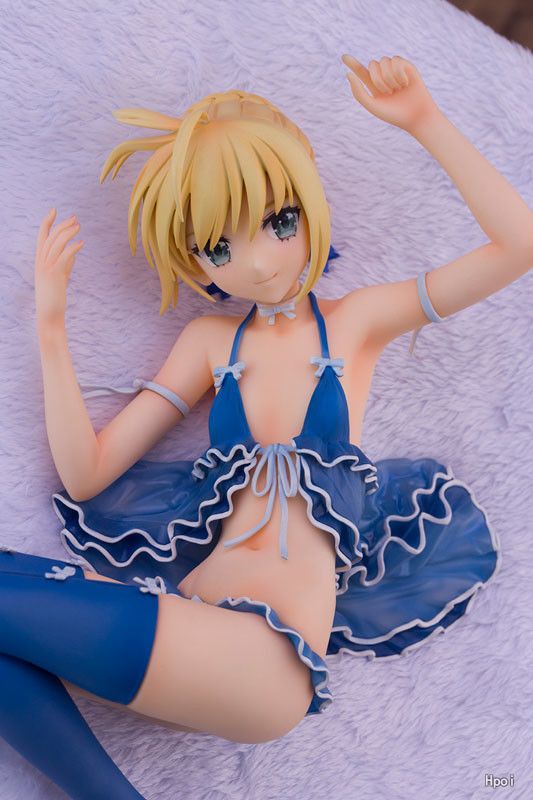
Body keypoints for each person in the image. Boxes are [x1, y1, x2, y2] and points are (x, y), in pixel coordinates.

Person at [2, 54, 531, 799]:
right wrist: (52, 329)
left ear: (310, 206)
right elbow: (86, 473)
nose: (254, 263)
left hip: (269, 658)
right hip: (189, 628)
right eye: (219, 247)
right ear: (195, 262)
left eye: (279, 222)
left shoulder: (355, 323)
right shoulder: (210, 345)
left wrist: (423, 120)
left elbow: (518, 245)